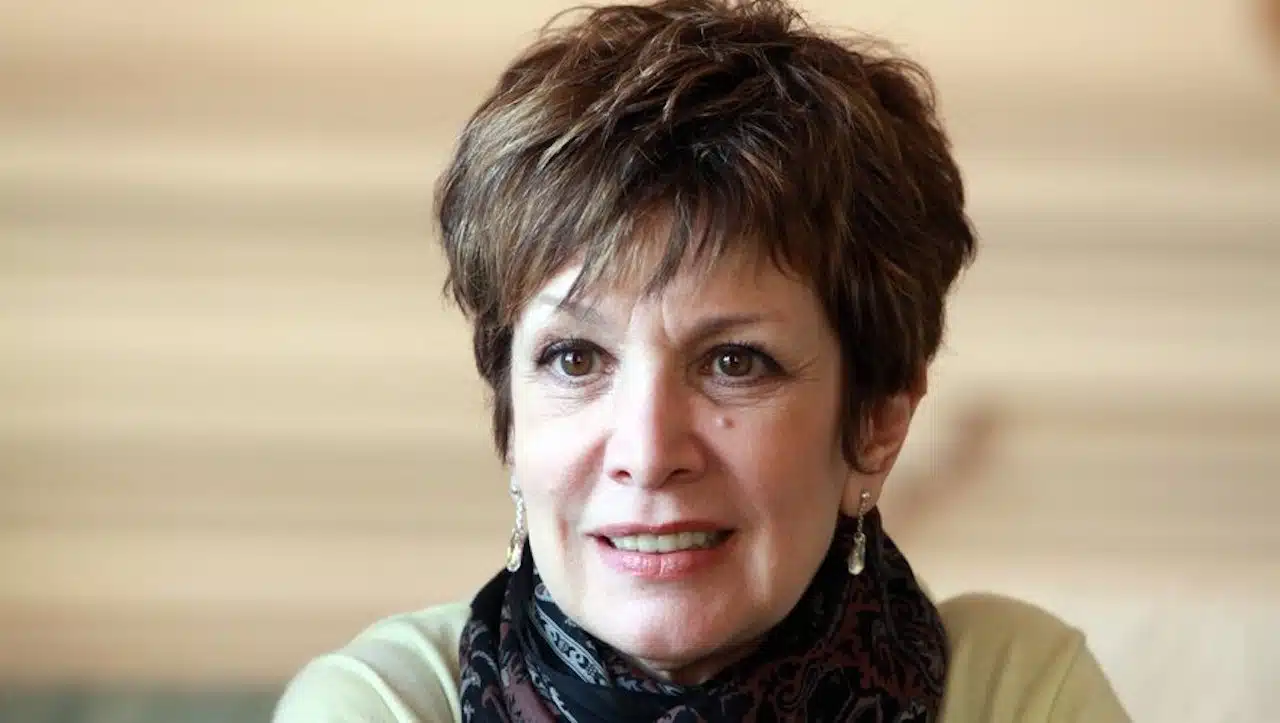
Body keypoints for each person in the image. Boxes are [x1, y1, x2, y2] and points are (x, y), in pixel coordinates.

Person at [274, 1, 1131, 720]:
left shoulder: (1016, 690)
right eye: (575, 358)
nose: (648, 452)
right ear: (511, 417)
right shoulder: (385, 703)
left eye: (734, 362)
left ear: (876, 419)